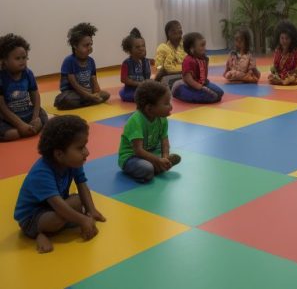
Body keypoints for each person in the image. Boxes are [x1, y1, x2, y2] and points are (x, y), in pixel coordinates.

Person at [14, 115, 105, 253]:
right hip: (33, 217)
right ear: (59, 154)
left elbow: (81, 183)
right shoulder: (42, 172)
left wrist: (91, 210)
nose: (87, 152)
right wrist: (83, 220)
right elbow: (58, 205)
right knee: (56, 219)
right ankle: (40, 234)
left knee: (78, 200)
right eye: (80, 148)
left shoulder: (72, 162)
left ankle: (60, 225)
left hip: (55, 206)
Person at [118, 81, 181, 183]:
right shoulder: (136, 121)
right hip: (131, 157)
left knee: (159, 157)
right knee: (147, 169)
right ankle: (156, 167)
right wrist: (157, 160)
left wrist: (165, 157)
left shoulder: (162, 119)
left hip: (150, 152)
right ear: (149, 108)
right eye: (166, 103)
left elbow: (165, 142)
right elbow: (138, 151)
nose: (171, 107)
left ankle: (161, 164)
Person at [0, 34, 47, 141]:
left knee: (42, 117)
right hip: (7, 118)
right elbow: (2, 107)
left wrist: (35, 118)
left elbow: (35, 96)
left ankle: (30, 128)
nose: (22, 61)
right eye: (17, 58)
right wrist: (20, 124)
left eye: (24, 57)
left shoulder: (28, 73)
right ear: (5, 60)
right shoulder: (1, 77)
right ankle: (25, 129)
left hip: (27, 113)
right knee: (13, 134)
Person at [54, 23, 110, 110]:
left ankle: (87, 101)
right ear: (75, 46)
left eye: (91, 44)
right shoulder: (69, 61)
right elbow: (75, 85)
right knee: (65, 99)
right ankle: (89, 101)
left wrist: (96, 94)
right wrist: (89, 96)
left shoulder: (91, 61)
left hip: (88, 91)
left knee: (106, 95)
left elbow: (94, 80)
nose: (89, 48)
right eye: (86, 45)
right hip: (73, 92)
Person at [118, 28, 150, 103]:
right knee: (136, 96)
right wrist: (138, 84)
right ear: (130, 50)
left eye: (143, 46)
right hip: (131, 90)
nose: (141, 49)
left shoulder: (146, 62)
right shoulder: (126, 63)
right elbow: (123, 79)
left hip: (143, 89)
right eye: (137, 47)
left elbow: (147, 77)